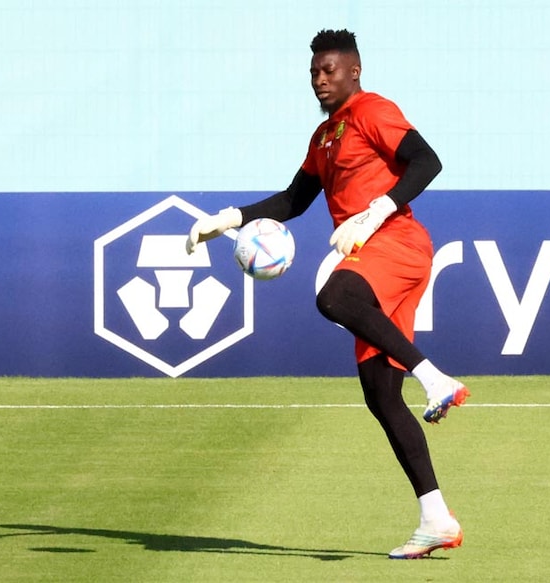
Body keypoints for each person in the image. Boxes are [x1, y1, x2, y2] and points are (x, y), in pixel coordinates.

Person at [185, 29, 470, 560]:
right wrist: (228, 219)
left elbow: (427, 161)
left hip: (396, 242)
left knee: (333, 297)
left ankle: (435, 379)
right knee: (380, 395)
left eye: (330, 70)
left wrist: (376, 211)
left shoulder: (371, 110)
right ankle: (437, 518)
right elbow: (294, 200)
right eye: (314, 71)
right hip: (370, 253)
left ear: (354, 71)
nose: (320, 79)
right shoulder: (324, 136)